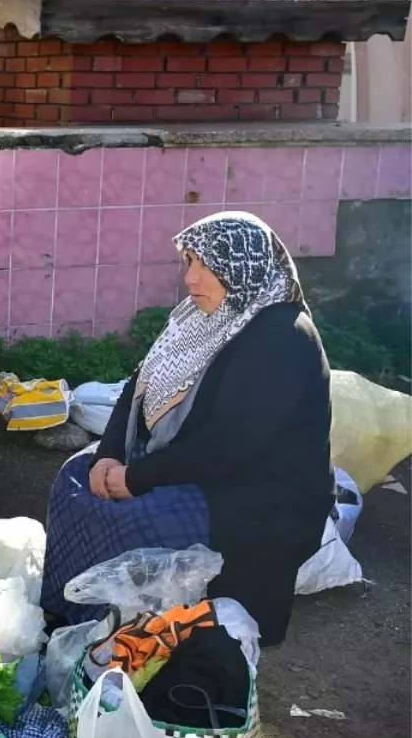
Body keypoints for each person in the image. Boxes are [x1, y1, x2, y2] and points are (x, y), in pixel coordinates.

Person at [40, 212, 334, 646]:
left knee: (140, 520)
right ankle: (69, 618)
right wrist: (109, 455)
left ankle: (126, 638)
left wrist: (136, 478)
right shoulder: (200, 317)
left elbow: (229, 445)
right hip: (193, 466)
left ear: (241, 267)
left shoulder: (281, 336)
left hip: (256, 495)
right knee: (74, 478)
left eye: (204, 265)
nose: (191, 278)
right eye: (188, 262)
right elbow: (137, 388)